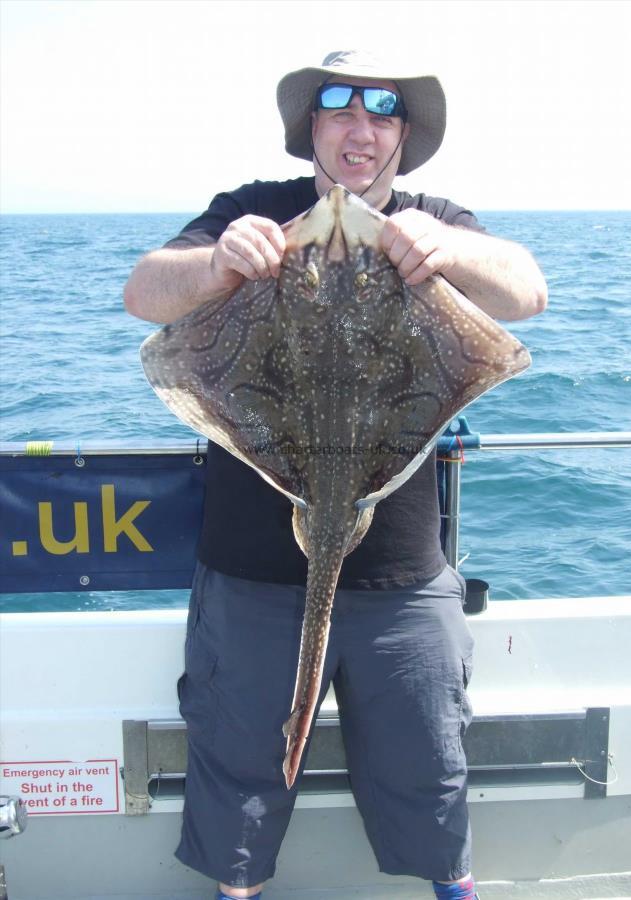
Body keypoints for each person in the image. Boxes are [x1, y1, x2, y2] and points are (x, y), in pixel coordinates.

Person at [125, 50, 546, 900]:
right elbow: (142, 292)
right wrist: (217, 265)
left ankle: (450, 884)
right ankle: (235, 889)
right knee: (239, 762)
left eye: (380, 116)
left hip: (399, 569)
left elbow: (525, 291)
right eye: (339, 113)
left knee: (428, 754)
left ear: (402, 136)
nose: (359, 132)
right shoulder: (252, 211)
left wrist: (449, 249)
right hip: (252, 568)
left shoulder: (436, 216)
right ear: (311, 130)